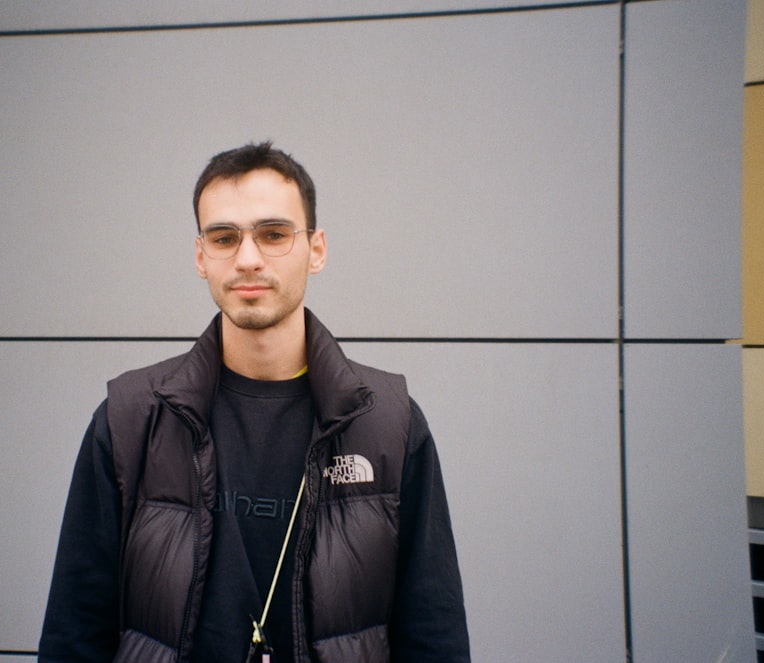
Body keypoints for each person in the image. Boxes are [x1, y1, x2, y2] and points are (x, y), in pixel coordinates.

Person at [38, 142, 470, 662]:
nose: (248, 258)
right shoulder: (130, 419)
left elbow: (434, 637)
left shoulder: (388, 424)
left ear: (317, 249)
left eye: (273, 234)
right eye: (224, 237)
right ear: (201, 257)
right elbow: (74, 633)